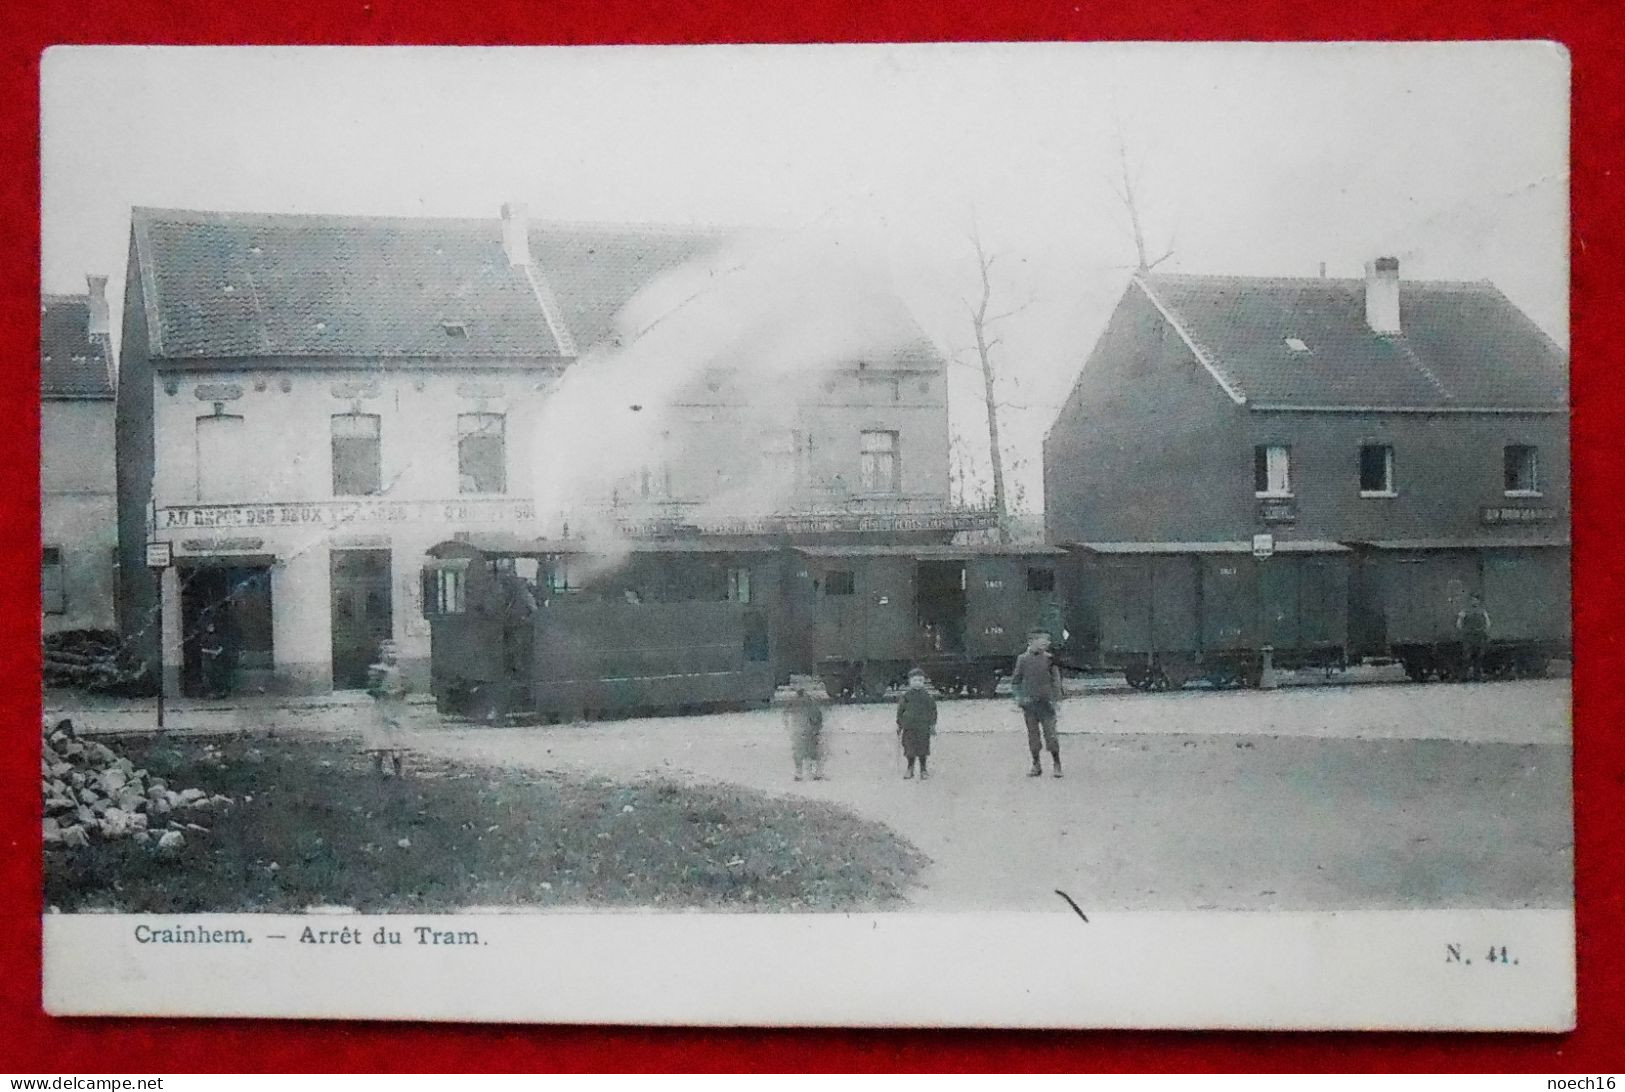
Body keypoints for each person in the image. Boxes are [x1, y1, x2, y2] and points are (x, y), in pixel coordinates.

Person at [1013, 629, 1064, 778]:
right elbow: (1016, 681)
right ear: (1032, 642)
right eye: (1043, 640)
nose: (1046, 643)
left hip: (1046, 704)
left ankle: (1057, 763)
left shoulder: (1050, 659)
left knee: (1051, 735)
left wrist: (1057, 700)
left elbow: (1056, 681)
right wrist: (1019, 698)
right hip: (1030, 705)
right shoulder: (1022, 659)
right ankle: (1036, 764)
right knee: (1033, 736)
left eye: (1047, 641)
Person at [363, 639, 410, 777]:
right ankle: (377, 769)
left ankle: (399, 771)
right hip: (382, 708)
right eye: (388, 652)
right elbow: (371, 689)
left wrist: (402, 691)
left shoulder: (401, 671)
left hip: (397, 709)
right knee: (381, 741)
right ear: (381, 655)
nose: (392, 655)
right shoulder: (377, 670)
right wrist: (382, 692)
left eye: (394, 652)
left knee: (398, 741)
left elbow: (408, 686)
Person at [895, 667, 938, 780]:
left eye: (920, 680)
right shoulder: (906, 696)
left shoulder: (927, 696)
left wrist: (932, 725)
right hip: (909, 728)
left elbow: (933, 710)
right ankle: (910, 768)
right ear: (910, 682)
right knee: (909, 749)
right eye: (915, 680)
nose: (917, 683)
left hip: (923, 727)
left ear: (923, 682)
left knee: (923, 748)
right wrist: (899, 724)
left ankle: (923, 769)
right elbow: (900, 711)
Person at [785, 681, 827, 782]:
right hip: (809, 730)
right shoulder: (810, 701)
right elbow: (817, 715)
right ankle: (816, 773)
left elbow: (786, 714)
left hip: (799, 730)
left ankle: (799, 773)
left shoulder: (792, 702)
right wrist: (817, 728)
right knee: (813, 752)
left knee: (799, 752)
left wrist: (788, 727)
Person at [1456, 593, 1492, 682]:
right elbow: (1459, 623)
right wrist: (1464, 631)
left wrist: (1484, 631)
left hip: (1479, 636)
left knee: (1479, 657)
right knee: (1467, 657)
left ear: (1478, 601)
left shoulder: (1482, 611)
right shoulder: (1465, 611)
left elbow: (1487, 623)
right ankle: (1463, 676)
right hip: (1469, 637)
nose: (1474, 601)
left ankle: (1477, 676)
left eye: (1476, 600)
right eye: (1473, 600)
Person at [198, 620, 231, 699]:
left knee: (218, 673)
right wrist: (211, 652)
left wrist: (218, 652)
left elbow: (221, 645)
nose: (211, 628)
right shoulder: (204, 637)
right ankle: (208, 692)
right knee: (208, 674)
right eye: (210, 626)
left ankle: (219, 691)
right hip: (207, 658)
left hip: (217, 658)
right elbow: (202, 649)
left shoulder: (217, 636)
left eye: (212, 626)